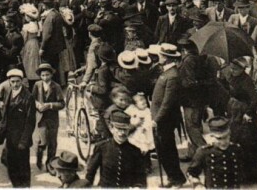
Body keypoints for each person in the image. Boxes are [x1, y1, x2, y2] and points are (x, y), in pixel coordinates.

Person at [150, 43, 186, 187]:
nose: (159, 57)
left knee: (167, 150)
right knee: (163, 150)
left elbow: (167, 102)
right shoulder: (167, 72)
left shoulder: (172, 76)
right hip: (161, 119)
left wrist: (157, 119)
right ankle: (173, 177)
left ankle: (177, 178)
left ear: (166, 58)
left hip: (164, 120)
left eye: (161, 55)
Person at [85, 110, 148, 187]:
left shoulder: (135, 151)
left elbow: (141, 177)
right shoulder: (102, 148)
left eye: (125, 129)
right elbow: (90, 174)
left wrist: (137, 187)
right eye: (119, 129)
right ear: (111, 128)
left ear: (129, 130)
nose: (122, 133)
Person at [0, 69, 36, 187]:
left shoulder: (28, 97)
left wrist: (23, 142)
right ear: (9, 82)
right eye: (13, 81)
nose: (15, 84)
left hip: (21, 140)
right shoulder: (8, 92)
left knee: (23, 168)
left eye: (18, 81)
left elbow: (30, 122)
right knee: (11, 167)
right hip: (10, 138)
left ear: (22, 81)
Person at [187, 117, 246, 189]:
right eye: (219, 138)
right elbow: (191, 173)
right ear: (212, 137)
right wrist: (198, 185)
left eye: (226, 137)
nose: (223, 142)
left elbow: (243, 171)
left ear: (230, 135)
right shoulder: (204, 152)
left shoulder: (236, 149)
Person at [31, 63, 64, 172]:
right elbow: (32, 99)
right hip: (41, 118)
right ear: (40, 76)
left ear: (51, 75)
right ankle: (39, 158)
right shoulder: (37, 85)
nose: (45, 77)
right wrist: (37, 104)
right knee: (43, 141)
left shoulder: (56, 86)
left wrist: (50, 105)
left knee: (52, 143)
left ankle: (50, 163)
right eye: (43, 75)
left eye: (47, 75)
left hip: (52, 118)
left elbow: (62, 104)